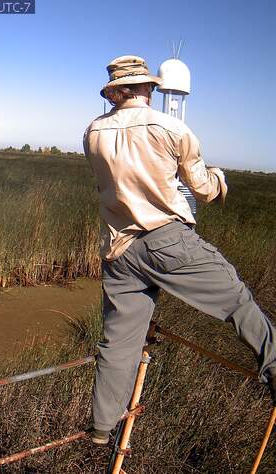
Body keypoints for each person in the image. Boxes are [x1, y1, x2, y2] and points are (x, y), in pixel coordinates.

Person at [82, 55, 276, 445]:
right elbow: (202, 188)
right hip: (167, 240)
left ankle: (102, 426)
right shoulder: (172, 127)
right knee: (236, 300)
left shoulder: (92, 132)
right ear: (147, 89)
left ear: (115, 92)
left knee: (119, 341)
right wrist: (219, 179)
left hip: (118, 251)